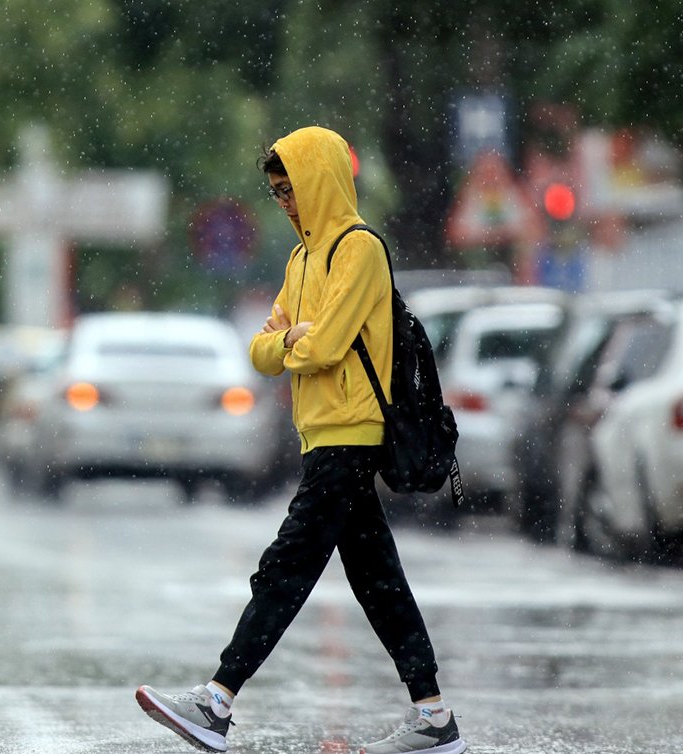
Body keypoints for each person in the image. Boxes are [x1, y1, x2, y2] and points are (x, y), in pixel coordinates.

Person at [135, 127, 466, 754]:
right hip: (318, 435)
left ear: (319, 182)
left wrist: (292, 340)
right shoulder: (299, 261)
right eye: (274, 192)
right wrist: (291, 340)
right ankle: (434, 717)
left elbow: (329, 343)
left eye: (290, 189)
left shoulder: (359, 249)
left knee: (285, 568)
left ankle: (217, 700)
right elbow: (261, 352)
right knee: (378, 581)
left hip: (352, 436)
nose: (284, 202)